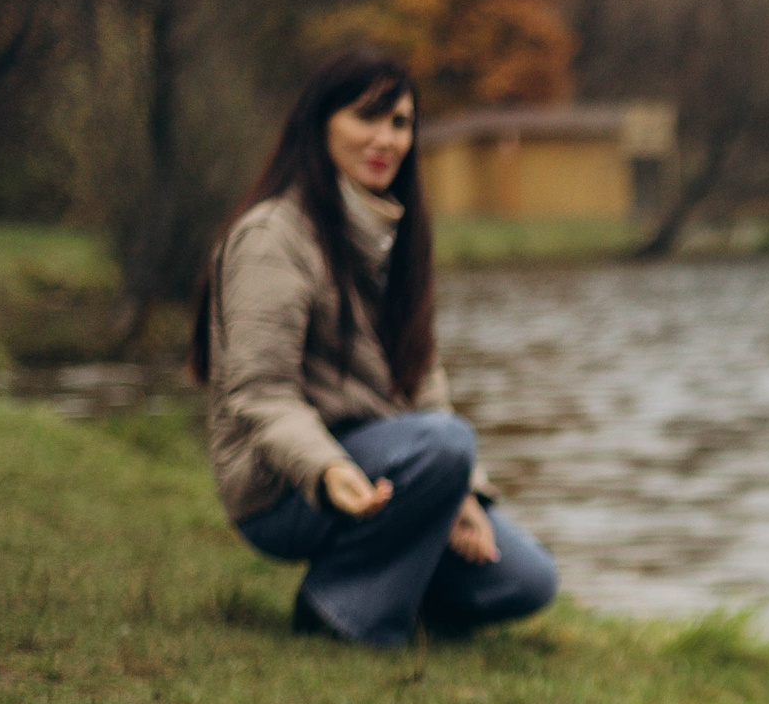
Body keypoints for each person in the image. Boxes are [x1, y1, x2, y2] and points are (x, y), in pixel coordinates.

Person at [191, 49, 557, 646]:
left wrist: (460, 490)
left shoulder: (397, 234)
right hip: (283, 486)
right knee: (445, 443)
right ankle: (339, 612)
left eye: (401, 123)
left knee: (525, 579)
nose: (385, 138)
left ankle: (387, 582)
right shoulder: (271, 238)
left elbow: (424, 379)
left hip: (395, 467)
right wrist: (328, 467)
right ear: (320, 123)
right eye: (367, 117)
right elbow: (260, 394)